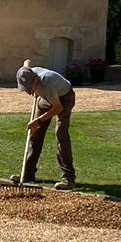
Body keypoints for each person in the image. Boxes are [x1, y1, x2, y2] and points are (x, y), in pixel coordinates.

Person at [16, 60, 77, 188]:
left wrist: (38, 120)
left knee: (61, 134)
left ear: (35, 80)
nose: (27, 92)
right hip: (44, 98)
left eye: (28, 88)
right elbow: (27, 61)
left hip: (64, 98)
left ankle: (68, 179)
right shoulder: (27, 72)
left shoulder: (47, 83)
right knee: (35, 133)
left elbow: (58, 108)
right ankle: (27, 175)